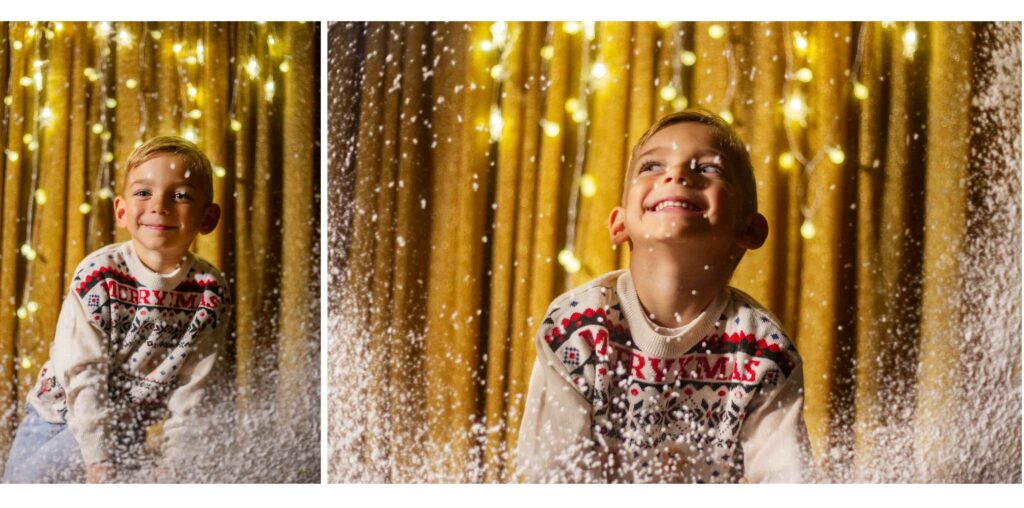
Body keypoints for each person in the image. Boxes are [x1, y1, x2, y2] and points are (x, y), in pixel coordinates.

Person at [516, 110, 812, 483]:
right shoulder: (578, 328)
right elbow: (552, 477)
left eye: (708, 169)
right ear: (620, 224)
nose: (677, 175)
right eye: (653, 165)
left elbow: (786, 483)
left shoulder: (764, 351)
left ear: (749, 229)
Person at [2, 136, 230, 483]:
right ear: (121, 211)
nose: (160, 205)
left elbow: (195, 392)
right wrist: (99, 461)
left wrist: (176, 470)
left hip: (129, 429)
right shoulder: (100, 275)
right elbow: (84, 373)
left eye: (181, 195)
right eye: (143, 193)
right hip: (62, 416)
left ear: (208, 217)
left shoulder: (209, 293)